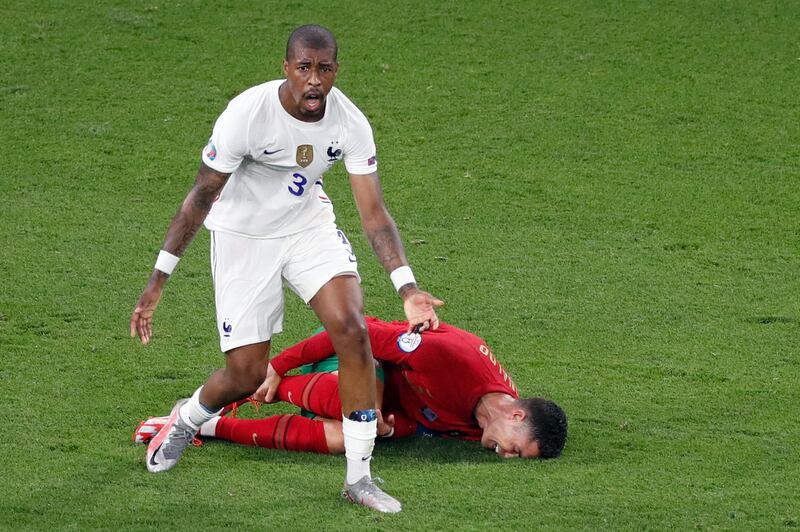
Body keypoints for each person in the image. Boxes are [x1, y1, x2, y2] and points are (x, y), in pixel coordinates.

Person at [129, 25, 442, 513]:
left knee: (352, 328)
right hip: (242, 238)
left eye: (324, 69)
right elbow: (200, 199)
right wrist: (156, 284)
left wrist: (408, 288)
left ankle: (358, 477)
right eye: (304, 68)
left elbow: (374, 213)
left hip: (306, 228)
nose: (314, 80)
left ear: (336, 70)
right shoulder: (247, 116)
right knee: (245, 373)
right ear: (286, 69)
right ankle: (187, 419)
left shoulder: (350, 123)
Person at [135, 317, 568, 461]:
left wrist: (388, 430)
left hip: (372, 401)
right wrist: (277, 366)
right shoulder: (453, 360)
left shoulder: (484, 426)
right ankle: (250, 392)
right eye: (518, 449)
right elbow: (354, 332)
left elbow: (420, 423)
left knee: (354, 436)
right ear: (516, 415)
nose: (507, 457)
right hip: (354, 363)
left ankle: (205, 427)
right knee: (360, 411)